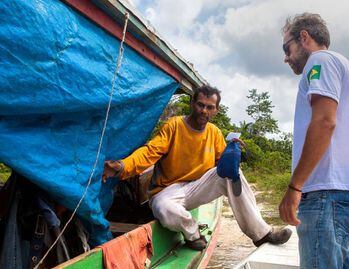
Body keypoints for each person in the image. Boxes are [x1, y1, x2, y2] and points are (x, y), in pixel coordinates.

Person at [103, 85, 292, 251]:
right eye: (200, 105)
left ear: (216, 110)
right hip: (167, 191)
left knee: (232, 173)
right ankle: (192, 234)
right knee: (163, 209)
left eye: (210, 107)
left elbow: (222, 165)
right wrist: (122, 166)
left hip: (196, 187)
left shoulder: (214, 132)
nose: (204, 111)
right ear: (192, 104)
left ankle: (262, 234)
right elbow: (149, 152)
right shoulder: (174, 125)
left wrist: (236, 154)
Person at [278, 13, 349, 268]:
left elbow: (324, 122)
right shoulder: (342, 64)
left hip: (326, 197)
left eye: (286, 47)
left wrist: (295, 187)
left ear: (304, 37)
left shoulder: (319, 61)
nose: (286, 57)